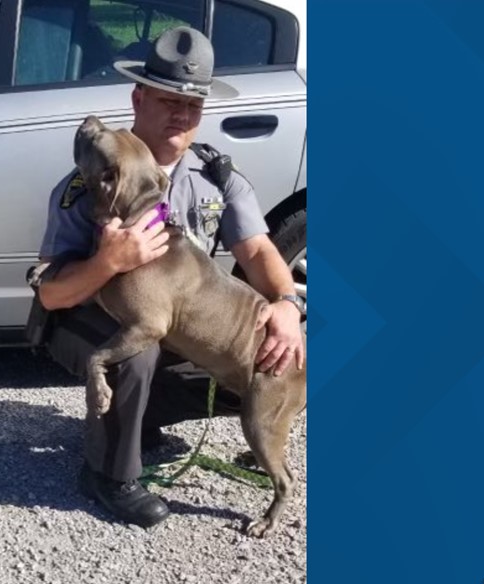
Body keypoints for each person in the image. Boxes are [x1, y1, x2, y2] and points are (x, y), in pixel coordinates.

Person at [27, 26, 304, 528]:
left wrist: (287, 303)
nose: (182, 114)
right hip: (83, 316)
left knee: (256, 366)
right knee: (137, 351)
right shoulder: (87, 185)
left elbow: (258, 249)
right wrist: (108, 262)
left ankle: (137, 420)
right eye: (169, 100)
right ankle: (109, 476)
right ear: (139, 98)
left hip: (168, 317)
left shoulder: (217, 179)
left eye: (193, 105)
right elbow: (50, 294)